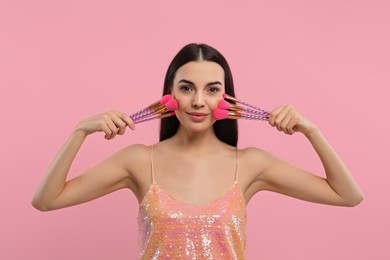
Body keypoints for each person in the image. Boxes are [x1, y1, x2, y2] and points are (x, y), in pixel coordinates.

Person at [32, 43, 364, 259]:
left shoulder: (249, 164)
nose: (198, 101)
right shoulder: (137, 160)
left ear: (226, 98)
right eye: (187, 88)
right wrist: (79, 132)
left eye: (212, 90)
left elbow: (347, 195)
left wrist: (312, 132)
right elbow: (46, 201)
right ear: (170, 94)